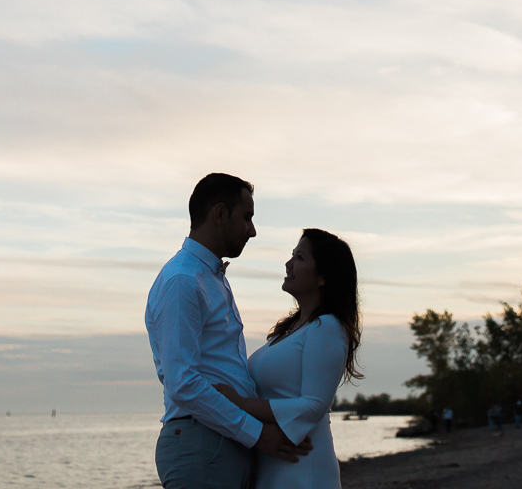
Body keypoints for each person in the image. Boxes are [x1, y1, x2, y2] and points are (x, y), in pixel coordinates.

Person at [146, 174, 311, 489]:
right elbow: (183, 383)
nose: (252, 230)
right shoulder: (184, 280)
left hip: (218, 440)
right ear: (220, 214)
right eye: (246, 217)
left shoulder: (209, 278)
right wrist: (258, 433)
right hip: (203, 443)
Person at [214, 228, 363, 489]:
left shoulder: (327, 327)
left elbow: (314, 405)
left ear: (324, 277)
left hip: (302, 468)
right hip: (275, 465)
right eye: (292, 255)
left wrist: (239, 403)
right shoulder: (292, 330)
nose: (289, 263)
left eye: (300, 258)